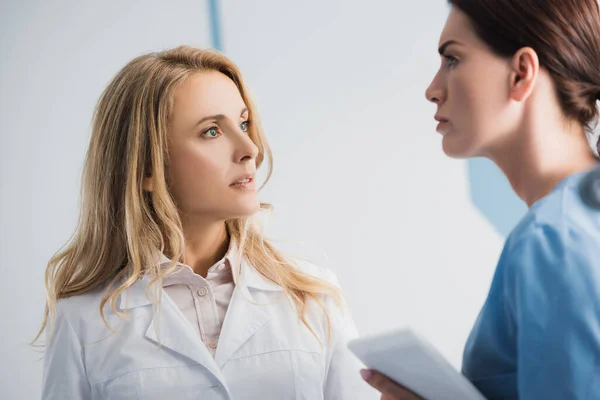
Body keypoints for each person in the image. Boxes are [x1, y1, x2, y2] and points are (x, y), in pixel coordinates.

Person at [36, 45, 374, 399]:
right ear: (147, 169)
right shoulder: (82, 321)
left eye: (244, 124)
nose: (249, 147)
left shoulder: (315, 297)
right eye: (212, 131)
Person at [362, 0, 600, 398]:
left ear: (521, 73)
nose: (432, 90)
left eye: (453, 59)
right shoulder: (576, 222)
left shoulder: (554, 239)